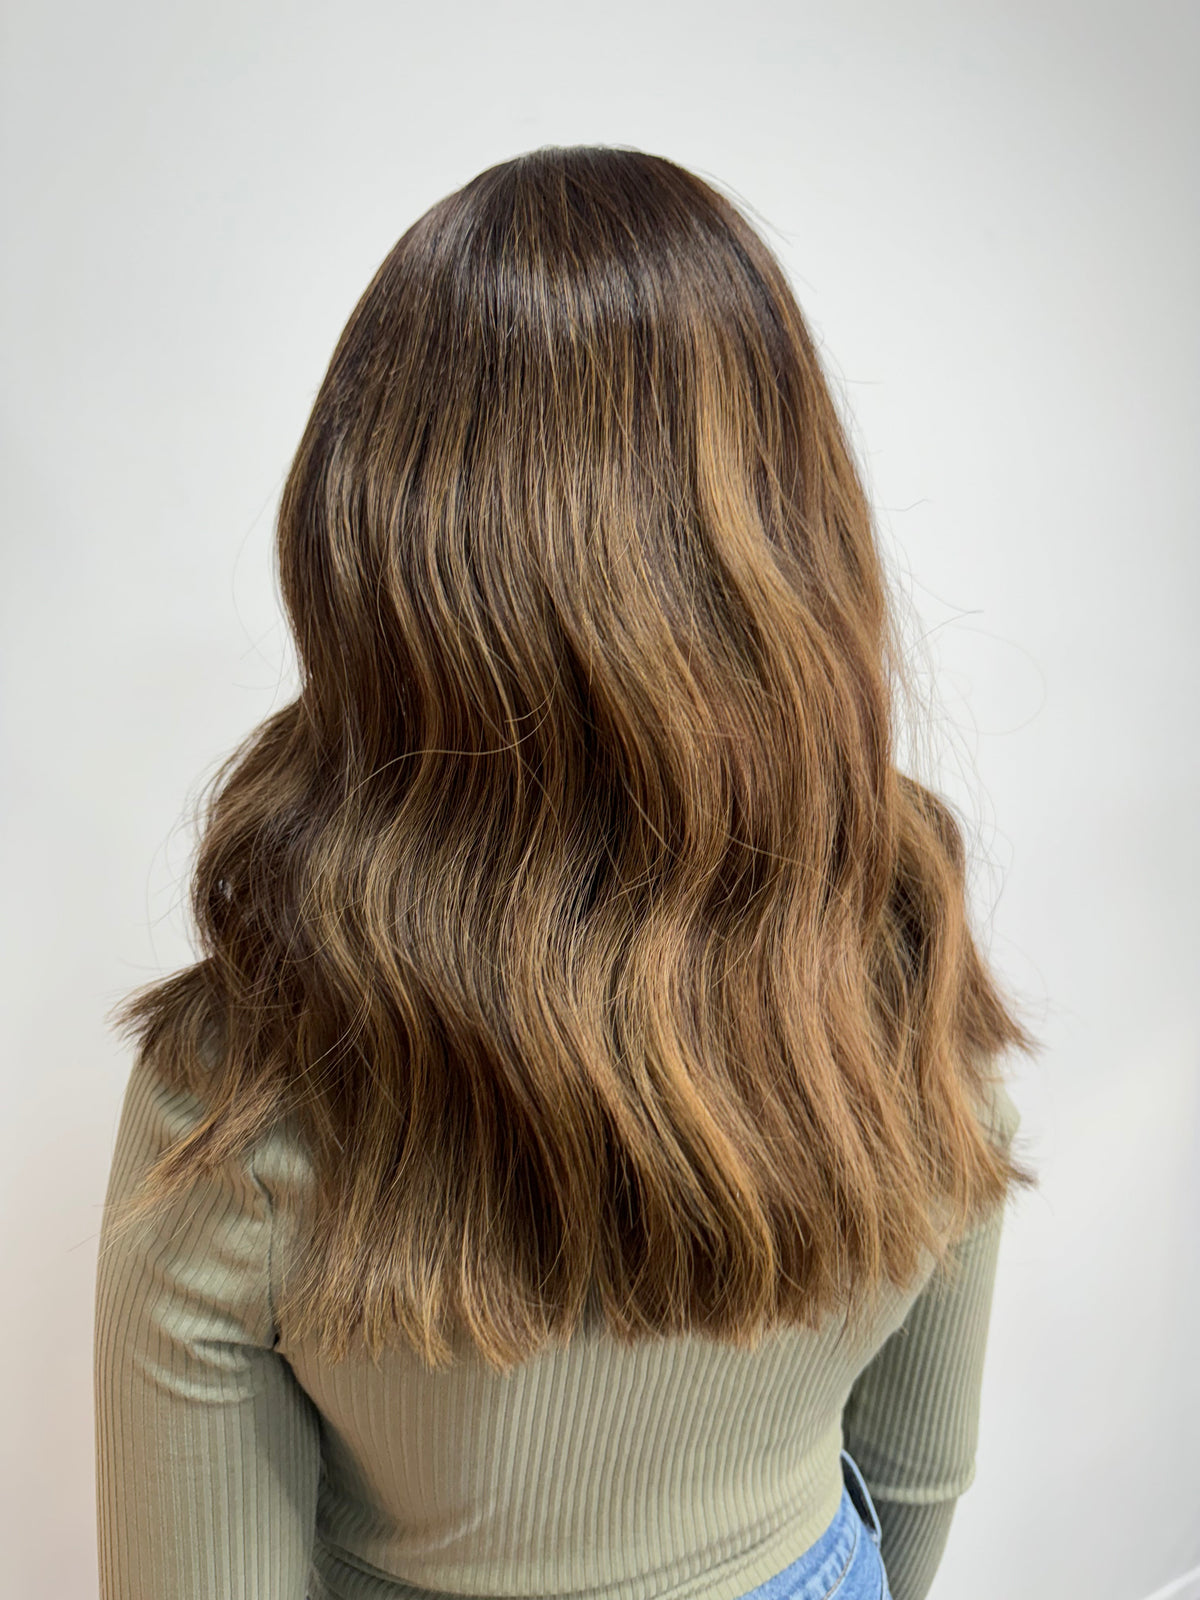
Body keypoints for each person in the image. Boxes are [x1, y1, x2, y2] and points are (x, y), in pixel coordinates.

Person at [93, 143, 1040, 1600]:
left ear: (369, 541)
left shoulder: (247, 1075)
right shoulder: (891, 918)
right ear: (788, 524)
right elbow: (921, 1458)